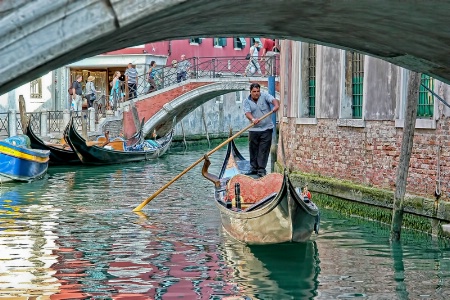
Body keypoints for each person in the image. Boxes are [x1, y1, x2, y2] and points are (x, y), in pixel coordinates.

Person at [243, 83, 280, 177]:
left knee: (263, 150)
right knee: (253, 149)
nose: (256, 93)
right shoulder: (246, 101)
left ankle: (261, 170)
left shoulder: (264, 96)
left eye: (258, 91)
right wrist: (253, 119)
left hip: (266, 128)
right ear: (250, 92)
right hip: (253, 130)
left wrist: (276, 106)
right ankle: (253, 169)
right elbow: (247, 113)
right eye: (254, 92)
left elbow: (273, 100)